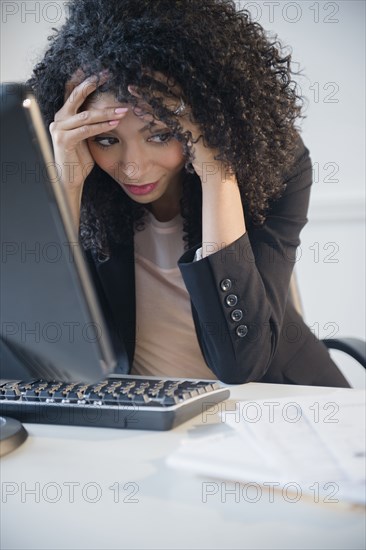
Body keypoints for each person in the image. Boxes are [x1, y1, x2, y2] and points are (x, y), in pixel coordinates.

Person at [28, 0, 349, 386]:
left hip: (276, 408)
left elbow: (240, 363)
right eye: (107, 139)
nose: (133, 167)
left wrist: (217, 168)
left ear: (206, 118)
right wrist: (67, 184)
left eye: (161, 135)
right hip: (144, 416)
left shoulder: (278, 167)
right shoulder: (78, 179)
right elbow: (42, 348)